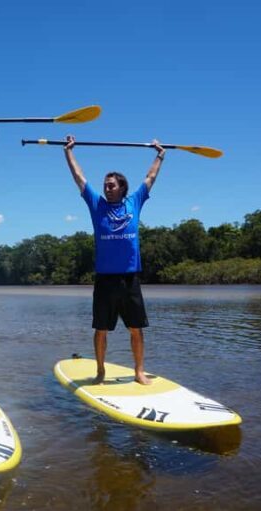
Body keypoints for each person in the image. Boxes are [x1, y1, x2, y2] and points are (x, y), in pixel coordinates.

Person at [63, 134, 166, 385]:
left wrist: (160, 155)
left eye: (111, 184)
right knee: (101, 329)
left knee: (135, 328)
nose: (107, 187)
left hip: (130, 277)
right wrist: (69, 152)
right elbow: (79, 178)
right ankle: (100, 371)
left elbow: (150, 178)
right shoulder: (97, 204)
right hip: (105, 278)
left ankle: (139, 372)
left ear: (122, 187)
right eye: (105, 184)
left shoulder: (134, 201)